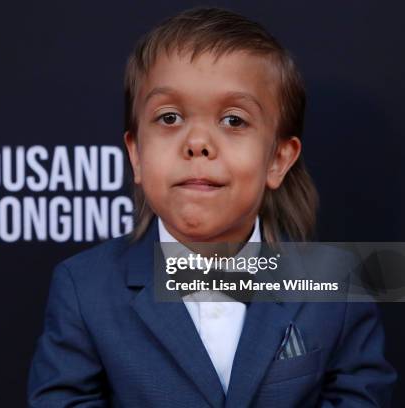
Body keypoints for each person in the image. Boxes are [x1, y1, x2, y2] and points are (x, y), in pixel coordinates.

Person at [27, 7, 396, 407]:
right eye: (169, 117)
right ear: (136, 156)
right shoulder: (84, 288)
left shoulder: (337, 285)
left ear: (278, 160)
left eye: (234, 120)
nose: (197, 142)